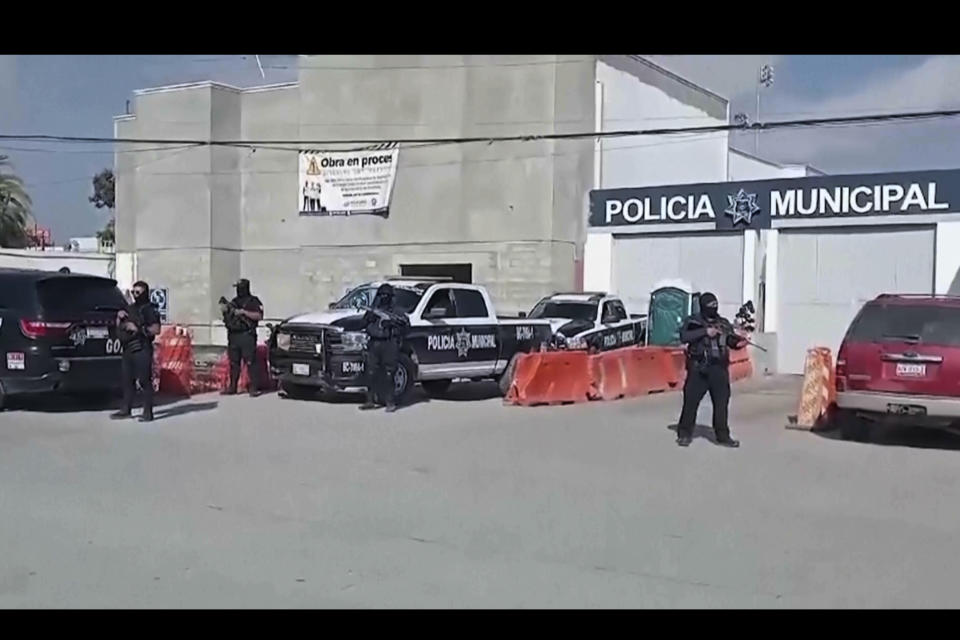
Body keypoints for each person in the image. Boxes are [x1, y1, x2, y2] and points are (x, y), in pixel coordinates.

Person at [675, 292, 746, 448]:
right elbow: (684, 336)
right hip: (698, 368)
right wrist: (705, 332)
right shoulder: (694, 321)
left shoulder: (723, 323)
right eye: (710, 306)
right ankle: (685, 434)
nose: (714, 309)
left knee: (721, 404)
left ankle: (723, 436)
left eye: (715, 306)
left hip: (719, 369)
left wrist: (738, 342)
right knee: (691, 403)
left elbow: (730, 339)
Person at [112, 280, 161, 422]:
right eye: (133, 292)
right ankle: (126, 409)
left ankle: (148, 412)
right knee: (127, 380)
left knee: (145, 380)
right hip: (127, 348)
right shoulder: (130, 308)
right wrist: (119, 318)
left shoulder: (150, 309)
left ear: (145, 293)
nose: (135, 295)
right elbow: (120, 326)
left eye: (138, 292)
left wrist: (138, 329)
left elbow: (156, 329)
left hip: (142, 348)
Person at [359, 284, 410, 413]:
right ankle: (370, 400)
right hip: (374, 343)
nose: (383, 298)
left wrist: (392, 324)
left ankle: (390, 402)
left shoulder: (397, 312)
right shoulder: (374, 310)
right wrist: (369, 318)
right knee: (370, 372)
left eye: (386, 295)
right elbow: (363, 323)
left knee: (389, 374)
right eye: (381, 295)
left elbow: (406, 327)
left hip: (389, 343)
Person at [221, 278, 264, 397]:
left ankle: (254, 388)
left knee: (250, 362)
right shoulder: (234, 302)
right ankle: (232, 387)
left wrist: (244, 312)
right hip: (234, 335)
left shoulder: (253, 301)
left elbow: (259, 316)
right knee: (234, 363)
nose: (238, 290)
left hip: (247, 336)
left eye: (240, 288)